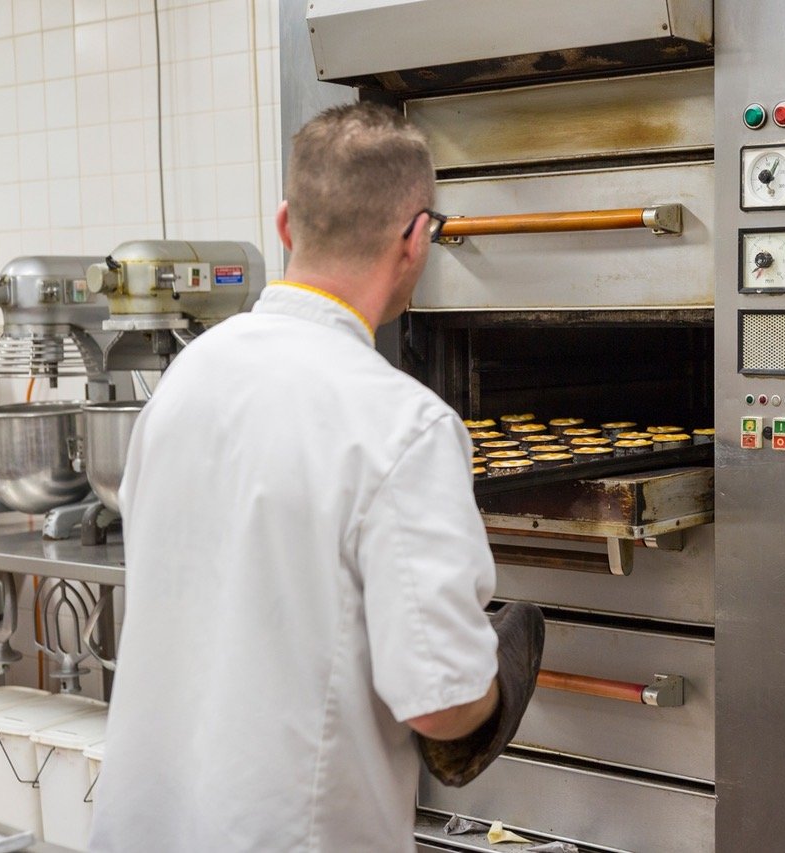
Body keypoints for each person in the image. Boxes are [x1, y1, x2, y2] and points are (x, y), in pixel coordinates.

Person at [89, 103, 517, 851]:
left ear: (285, 225)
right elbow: (442, 704)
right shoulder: (403, 425)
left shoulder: (188, 377)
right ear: (417, 239)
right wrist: (504, 679)